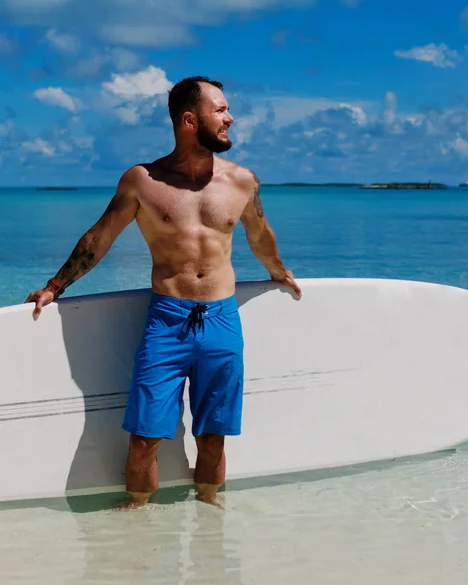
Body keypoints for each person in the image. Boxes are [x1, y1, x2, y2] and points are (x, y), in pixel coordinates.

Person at [24, 76, 302, 509]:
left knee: (213, 438)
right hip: (166, 323)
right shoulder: (143, 181)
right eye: (221, 109)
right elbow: (100, 236)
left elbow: (260, 234)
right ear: (190, 119)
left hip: (222, 321)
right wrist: (55, 287)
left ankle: (212, 518)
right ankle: (136, 520)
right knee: (144, 440)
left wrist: (278, 272)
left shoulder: (242, 181)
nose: (231, 117)